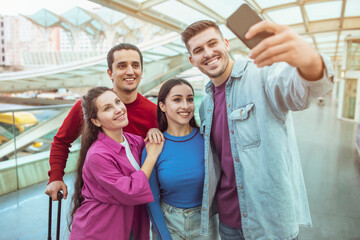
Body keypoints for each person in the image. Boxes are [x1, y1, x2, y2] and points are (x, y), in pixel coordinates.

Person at [180, 19, 334, 240]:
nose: (208, 53)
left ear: (226, 43)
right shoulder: (206, 105)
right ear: (192, 60)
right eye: (198, 50)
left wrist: (309, 59)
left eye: (213, 43)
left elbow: (302, 92)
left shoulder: (261, 75)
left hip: (270, 223)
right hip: (227, 223)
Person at [45, 43, 163, 200]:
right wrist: (56, 177)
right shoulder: (87, 107)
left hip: (138, 200)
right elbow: (61, 141)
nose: (130, 71)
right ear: (110, 73)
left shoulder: (154, 112)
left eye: (135, 65)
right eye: (122, 66)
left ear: (141, 72)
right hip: (99, 198)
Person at [69, 87, 164, 240]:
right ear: (96, 121)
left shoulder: (135, 141)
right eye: (107, 108)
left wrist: (154, 131)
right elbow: (130, 191)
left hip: (131, 226)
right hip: (101, 230)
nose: (118, 109)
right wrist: (151, 156)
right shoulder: (97, 155)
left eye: (117, 102)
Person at [141, 78, 219, 240]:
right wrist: (164, 236)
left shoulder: (207, 140)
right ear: (162, 106)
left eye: (190, 99)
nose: (185, 106)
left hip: (206, 223)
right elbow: (152, 200)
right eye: (177, 100)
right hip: (169, 222)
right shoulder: (154, 146)